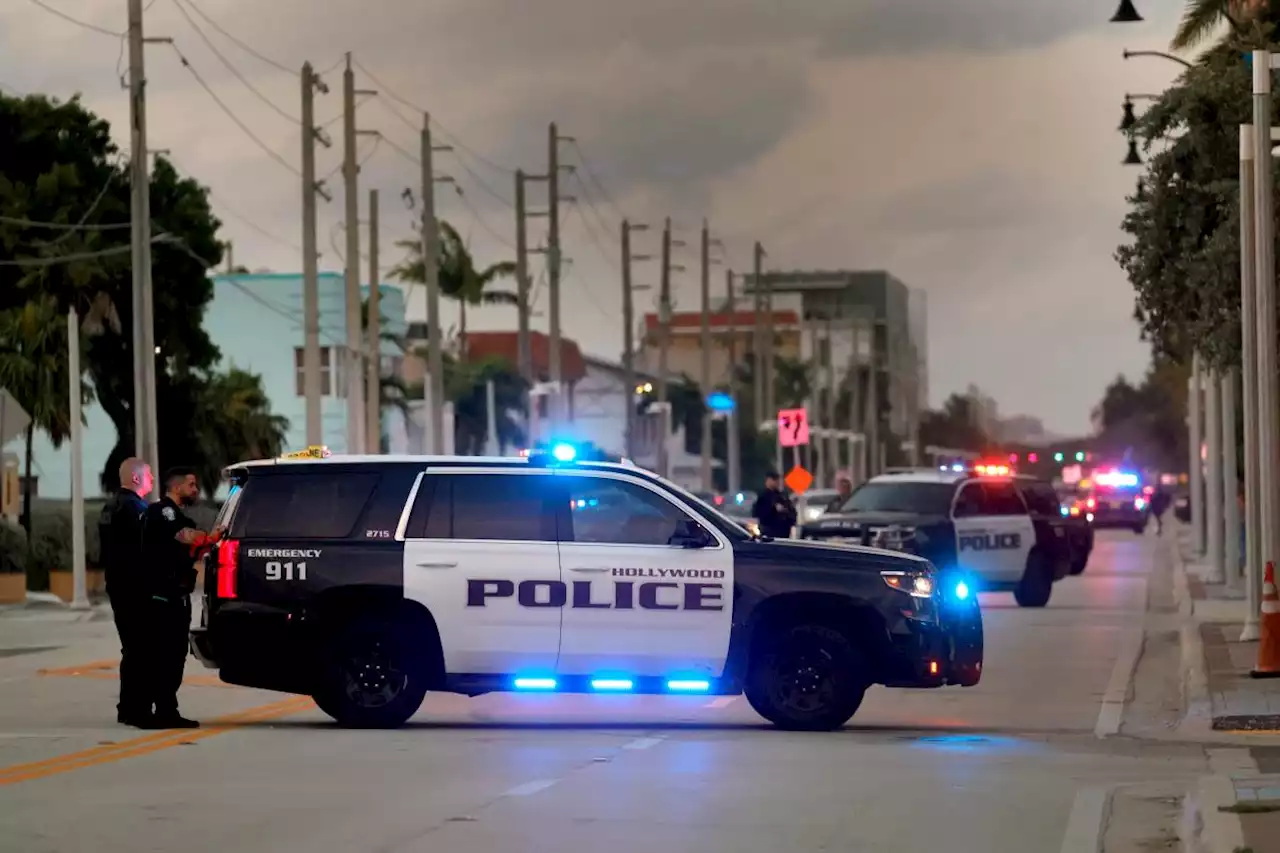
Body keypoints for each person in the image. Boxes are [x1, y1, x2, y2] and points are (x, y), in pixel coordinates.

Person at [139, 466, 221, 729]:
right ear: (176, 487)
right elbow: (185, 536)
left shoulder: (177, 515)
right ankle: (154, 711)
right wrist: (210, 537)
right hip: (163, 596)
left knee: (174, 655)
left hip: (177, 594)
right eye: (191, 484)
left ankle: (166, 709)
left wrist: (207, 540)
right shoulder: (163, 511)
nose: (195, 490)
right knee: (163, 654)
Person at [97, 458, 153, 727]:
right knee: (141, 648)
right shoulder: (136, 509)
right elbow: (145, 549)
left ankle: (127, 707)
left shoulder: (109, 507)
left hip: (117, 585)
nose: (151, 479)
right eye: (149, 475)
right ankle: (138, 709)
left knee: (131, 647)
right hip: (135, 587)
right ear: (136, 478)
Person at [751, 471, 797, 539]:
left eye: (777, 480)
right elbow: (758, 513)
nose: (776, 482)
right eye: (774, 480)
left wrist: (788, 515)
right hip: (769, 531)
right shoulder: (763, 496)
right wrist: (773, 509)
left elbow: (792, 511)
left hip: (783, 532)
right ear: (768, 480)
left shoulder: (782, 496)